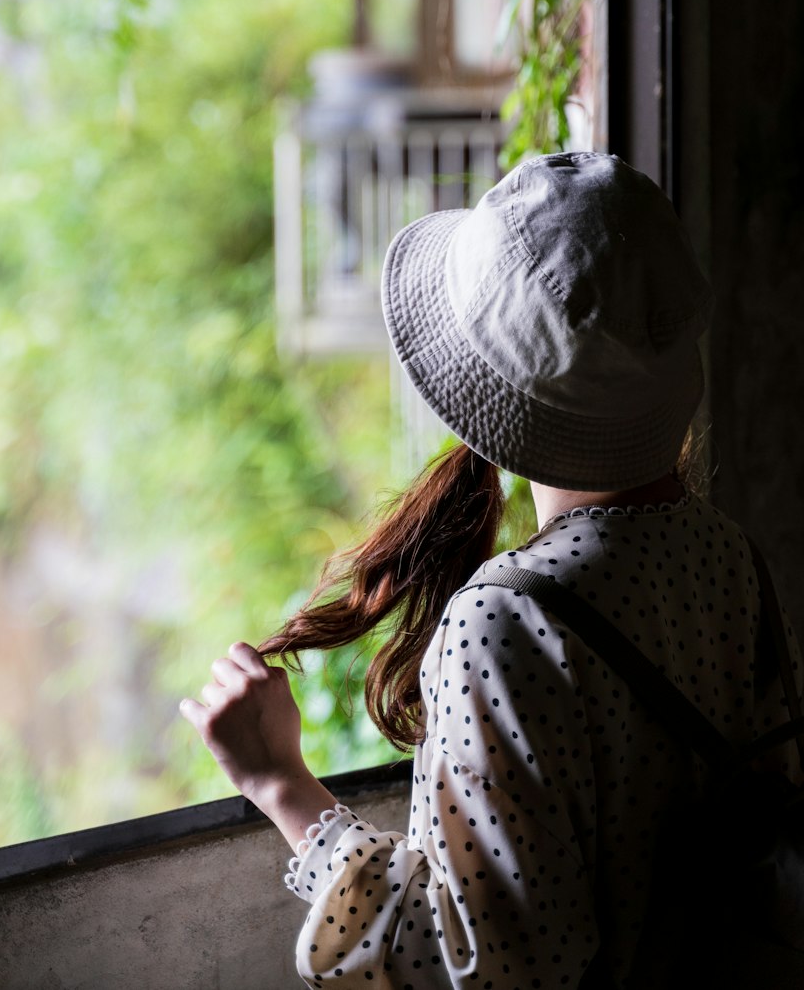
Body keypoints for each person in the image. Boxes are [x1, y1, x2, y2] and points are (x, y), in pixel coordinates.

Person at [180, 151, 803, 988]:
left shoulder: (506, 624)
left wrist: (280, 782)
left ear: (485, 392)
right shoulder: (731, 558)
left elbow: (476, 969)